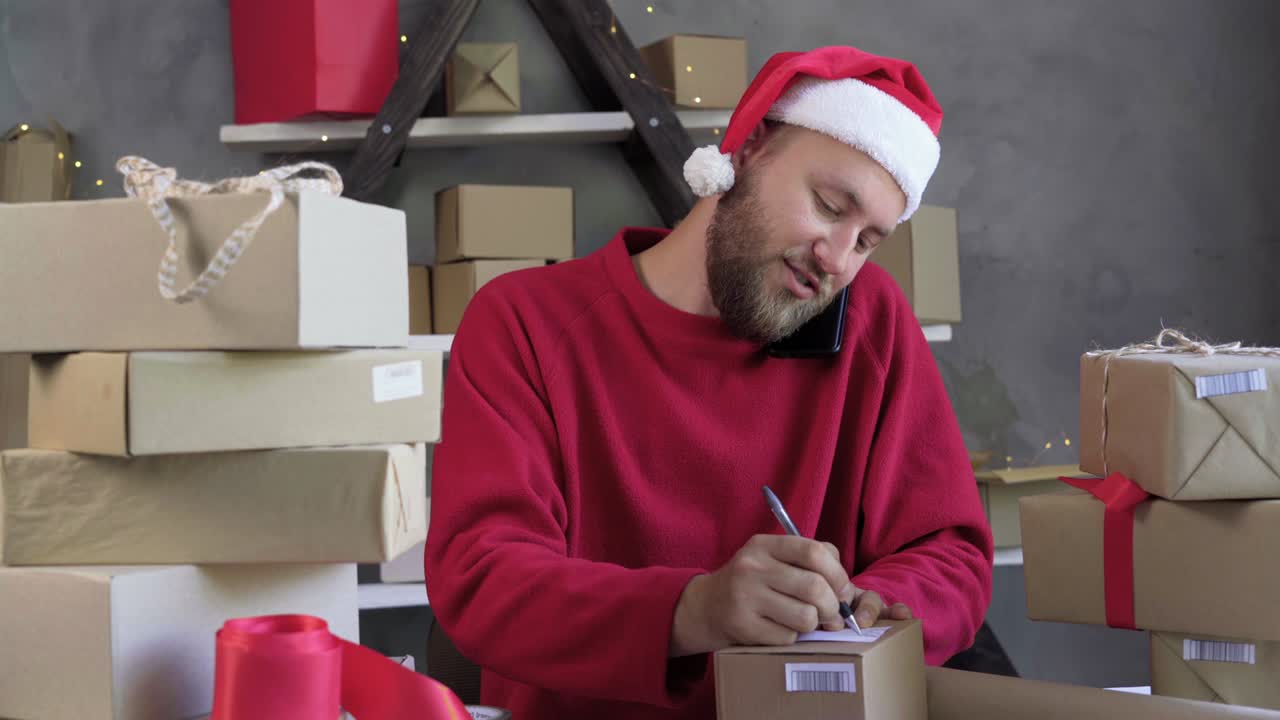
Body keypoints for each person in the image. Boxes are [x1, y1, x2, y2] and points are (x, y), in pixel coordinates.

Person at [424, 45, 994, 720]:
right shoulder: (525, 323)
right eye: (828, 204)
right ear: (749, 147)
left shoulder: (871, 322)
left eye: (869, 240)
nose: (837, 258)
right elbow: (483, 580)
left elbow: (949, 553)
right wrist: (693, 609)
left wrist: (877, 612)